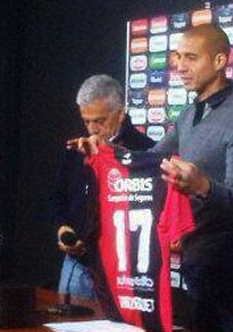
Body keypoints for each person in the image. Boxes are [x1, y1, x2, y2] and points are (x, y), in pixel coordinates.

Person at [153, 23, 233, 332]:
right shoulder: (189, 113)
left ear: (219, 61)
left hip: (225, 268)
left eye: (191, 57)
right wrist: (104, 151)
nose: (180, 66)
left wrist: (203, 186)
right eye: (178, 57)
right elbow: (150, 160)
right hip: (195, 260)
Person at [50, 74, 155, 299]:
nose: (92, 129)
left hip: (123, 270)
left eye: (99, 121)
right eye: (86, 121)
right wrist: (62, 227)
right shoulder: (76, 150)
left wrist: (107, 154)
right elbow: (56, 196)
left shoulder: (145, 152)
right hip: (76, 265)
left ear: (120, 113)